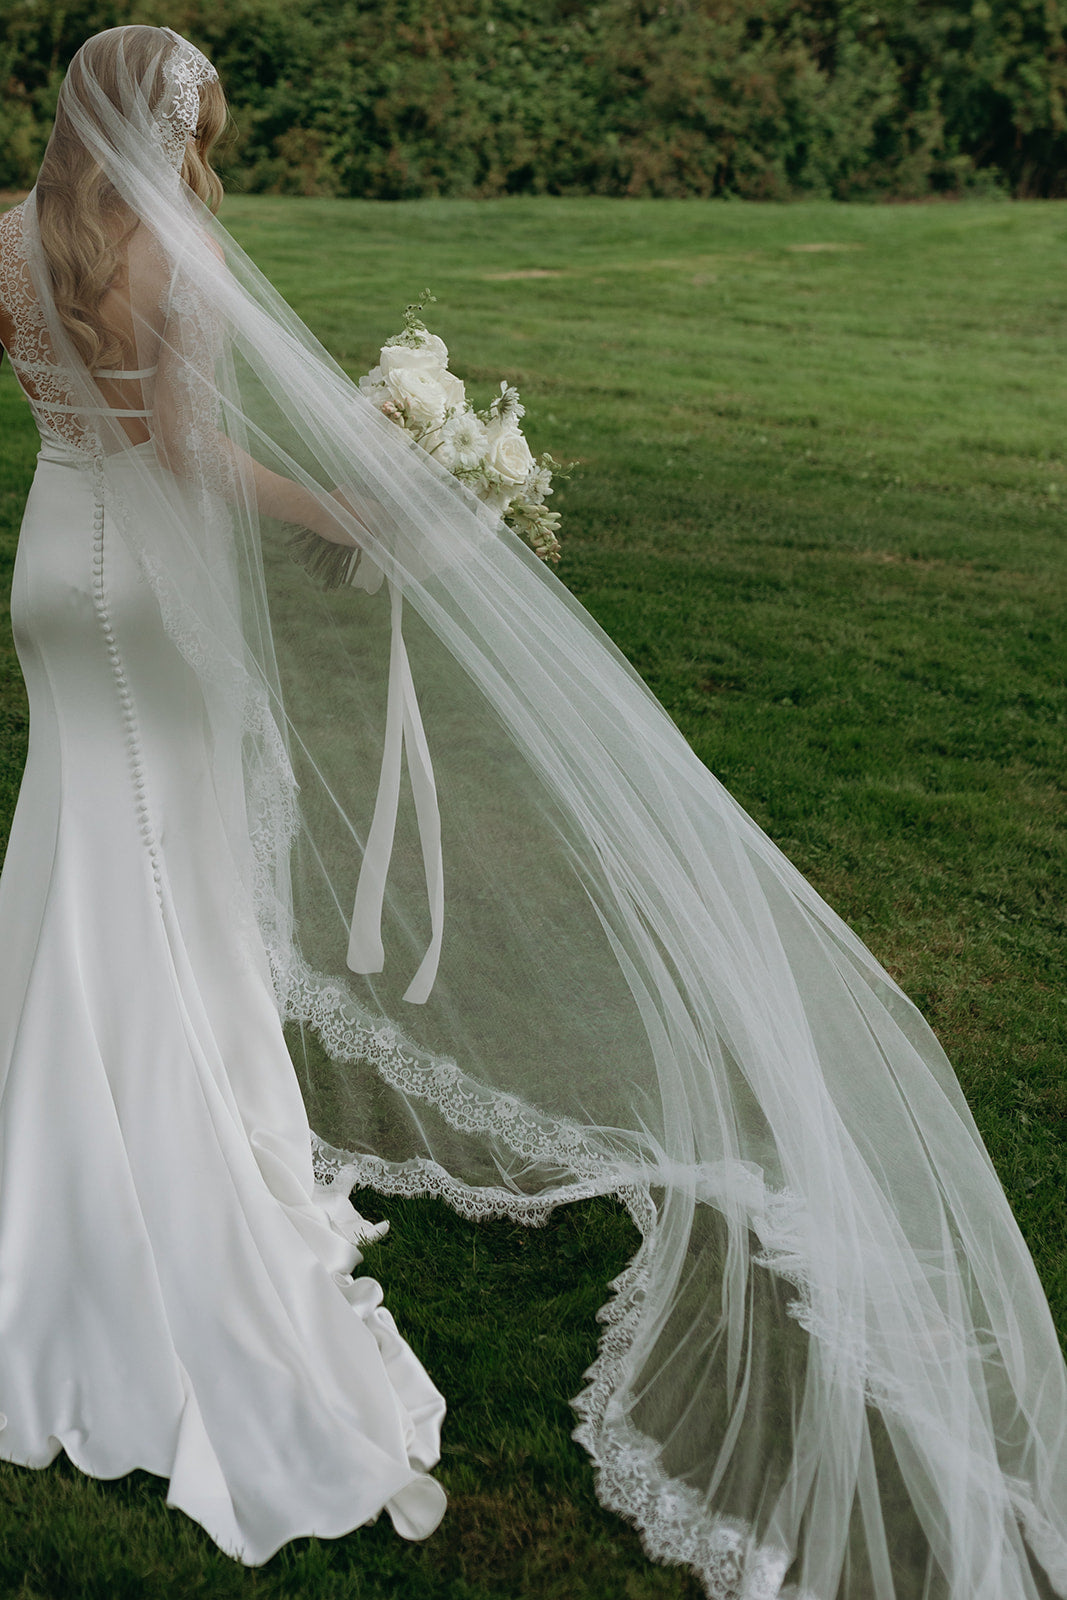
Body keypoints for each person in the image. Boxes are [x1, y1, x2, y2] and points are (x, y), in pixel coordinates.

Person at [0, 25, 1063, 1599]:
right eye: (207, 123)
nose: (213, 149)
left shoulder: (13, 240)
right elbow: (191, 455)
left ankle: (44, 1162)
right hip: (150, 588)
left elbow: (84, 424)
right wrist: (355, 508)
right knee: (171, 865)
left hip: (46, 572)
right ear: (169, 126)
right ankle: (173, 1168)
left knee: (80, 847)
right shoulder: (173, 248)